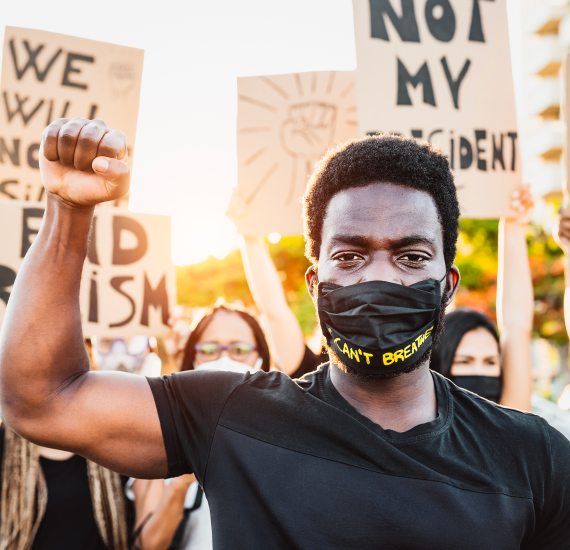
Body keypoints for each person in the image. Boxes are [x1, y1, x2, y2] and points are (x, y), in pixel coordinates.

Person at [1, 118, 569, 548]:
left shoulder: (533, 457)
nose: (377, 276)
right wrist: (68, 212)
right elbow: (44, 399)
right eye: (349, 255)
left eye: (410, 255)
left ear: (447, 284)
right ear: (315, 281)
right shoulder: (232, 415)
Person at [128, 303, 269, 550]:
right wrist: (182, 482)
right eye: (210, 349)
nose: (224, 358)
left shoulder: (283, 432)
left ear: (259, 358)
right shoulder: (157, 435)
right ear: (193, 358)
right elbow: (148, 545)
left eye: (239, 349)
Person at [431, 186, 534, 411]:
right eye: (464, 362)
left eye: (490, 363)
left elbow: (516, 326)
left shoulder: (510, 425)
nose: (480, 374)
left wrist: (513, 224)